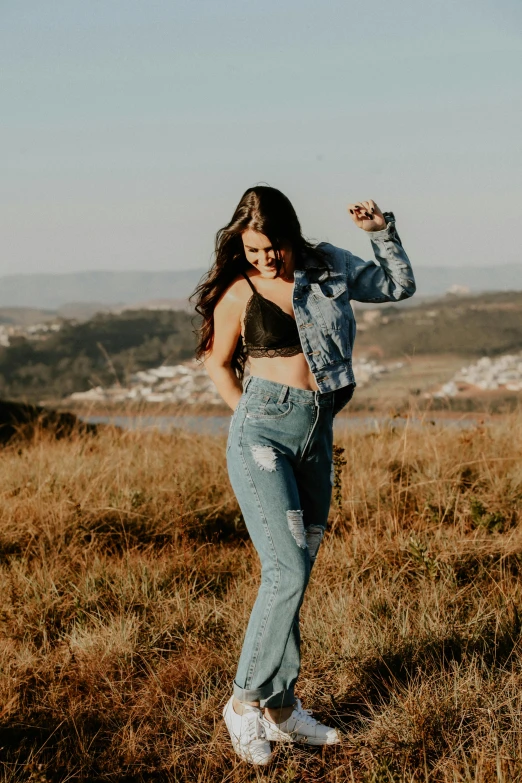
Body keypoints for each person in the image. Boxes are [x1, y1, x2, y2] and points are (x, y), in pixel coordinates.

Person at [192, 185, 416, 764]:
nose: (265, 259)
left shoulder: (328, 266)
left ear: (291, 235)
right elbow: (217, 364)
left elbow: (396, 286)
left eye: (273, 248)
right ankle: (244, 703)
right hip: (263, 433)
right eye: (253, 250)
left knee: (298, 570)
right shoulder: (239, 291)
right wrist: (252, 418)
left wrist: (380, 233)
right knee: (285, 568)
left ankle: (283, 708)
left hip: (317, 433)